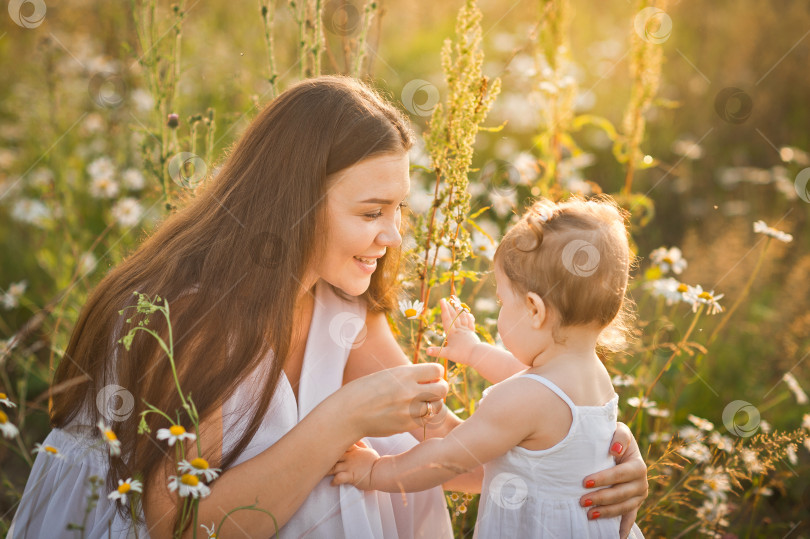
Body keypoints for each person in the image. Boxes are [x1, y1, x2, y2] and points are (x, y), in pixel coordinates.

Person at [8, 77, 647, 538]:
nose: (394, 236)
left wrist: (591, 453)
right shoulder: (193, 316)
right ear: (293, 205)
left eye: (398, 209)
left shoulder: (341, 307)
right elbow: (177, 526)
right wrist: (341, 418)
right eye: (371, 213)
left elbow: (462, 457)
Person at [330, 196, 646, 538]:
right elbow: (523, 376)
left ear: (534, 310)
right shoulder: (591, 376)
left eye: (502, 301)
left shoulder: (526, 399)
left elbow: (447, 458)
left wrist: (375, 471)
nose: (499, 312)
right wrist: (475, 351)